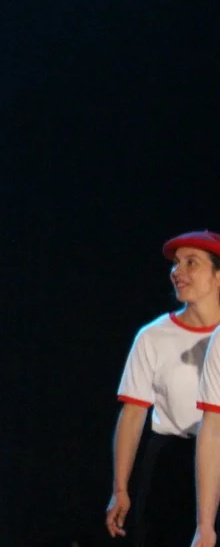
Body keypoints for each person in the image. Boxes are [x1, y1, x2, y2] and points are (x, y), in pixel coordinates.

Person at [105, 230, 220, 545]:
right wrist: (119, 488)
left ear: (218, 276)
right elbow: (133, 414)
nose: (177, 272)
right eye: (176, 263)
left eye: (191, 263)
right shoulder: (153, 336)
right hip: (172, 460)